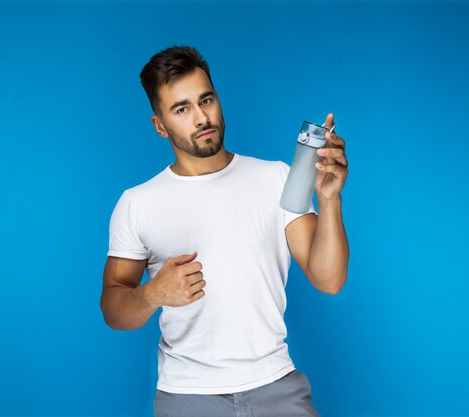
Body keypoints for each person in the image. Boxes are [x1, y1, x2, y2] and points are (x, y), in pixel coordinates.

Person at [100, 45, 349, 417]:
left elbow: (328, 279)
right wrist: (152, 294)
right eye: (182, 109)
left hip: (276, 387)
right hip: (187, 398)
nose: (201, 118)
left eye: (207, 100)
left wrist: (329, 200)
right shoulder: (137, 203)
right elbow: (113, 309)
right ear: (160, 125)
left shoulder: (276, 178)